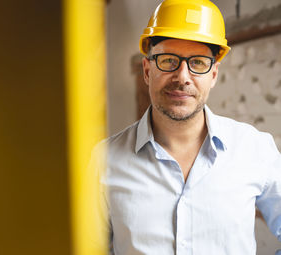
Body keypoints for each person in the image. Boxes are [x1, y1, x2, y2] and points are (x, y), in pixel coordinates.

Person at [96, 0, 281, 254]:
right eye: (169, 60)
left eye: (198, 63)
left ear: (213, 74)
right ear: (147, 71)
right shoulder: (103, 161)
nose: (182, 76)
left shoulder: (254, 148)